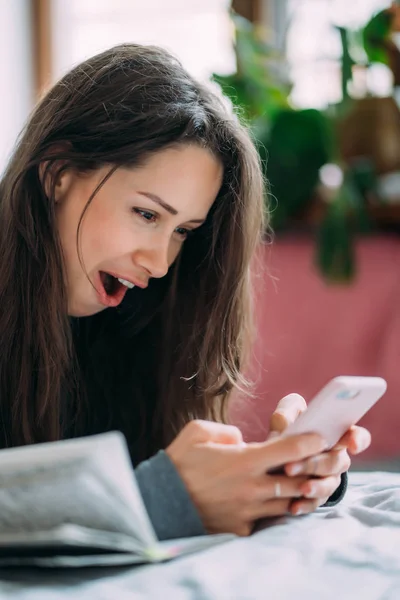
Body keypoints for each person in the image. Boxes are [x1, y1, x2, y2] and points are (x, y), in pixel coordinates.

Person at [0, 44, 371, 540]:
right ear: (58, 173)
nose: (159, 263)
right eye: (147, 214)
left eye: (184, 231)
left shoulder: (130, 325)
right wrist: (155, 501)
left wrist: (275, 478)